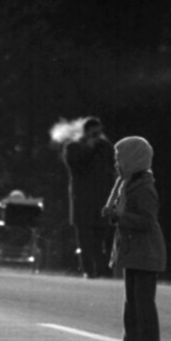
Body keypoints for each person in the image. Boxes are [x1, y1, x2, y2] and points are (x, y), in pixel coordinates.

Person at [102, 136, 167, 341]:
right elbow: (125, 217)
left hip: (146, 253)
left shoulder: (144, 187)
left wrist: (121, 216)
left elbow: (147, 221)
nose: (116, 164)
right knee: (131, 303)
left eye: (119, 159)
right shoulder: (126, 184)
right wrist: (114, 215)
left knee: (143, 303)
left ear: (133, 160)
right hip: (132, 252)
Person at [62, 116, 116, 277]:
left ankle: (102, 270)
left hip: (102, 199)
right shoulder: (73, 147)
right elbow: (74, 165)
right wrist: (88, 147)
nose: (97, 136)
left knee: (102, 238)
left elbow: (114, 166)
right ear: (85, 132)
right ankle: (88, 270)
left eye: (99, 133)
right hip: (83, 199)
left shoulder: (105, 147)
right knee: (85, 239)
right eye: (93, 133)